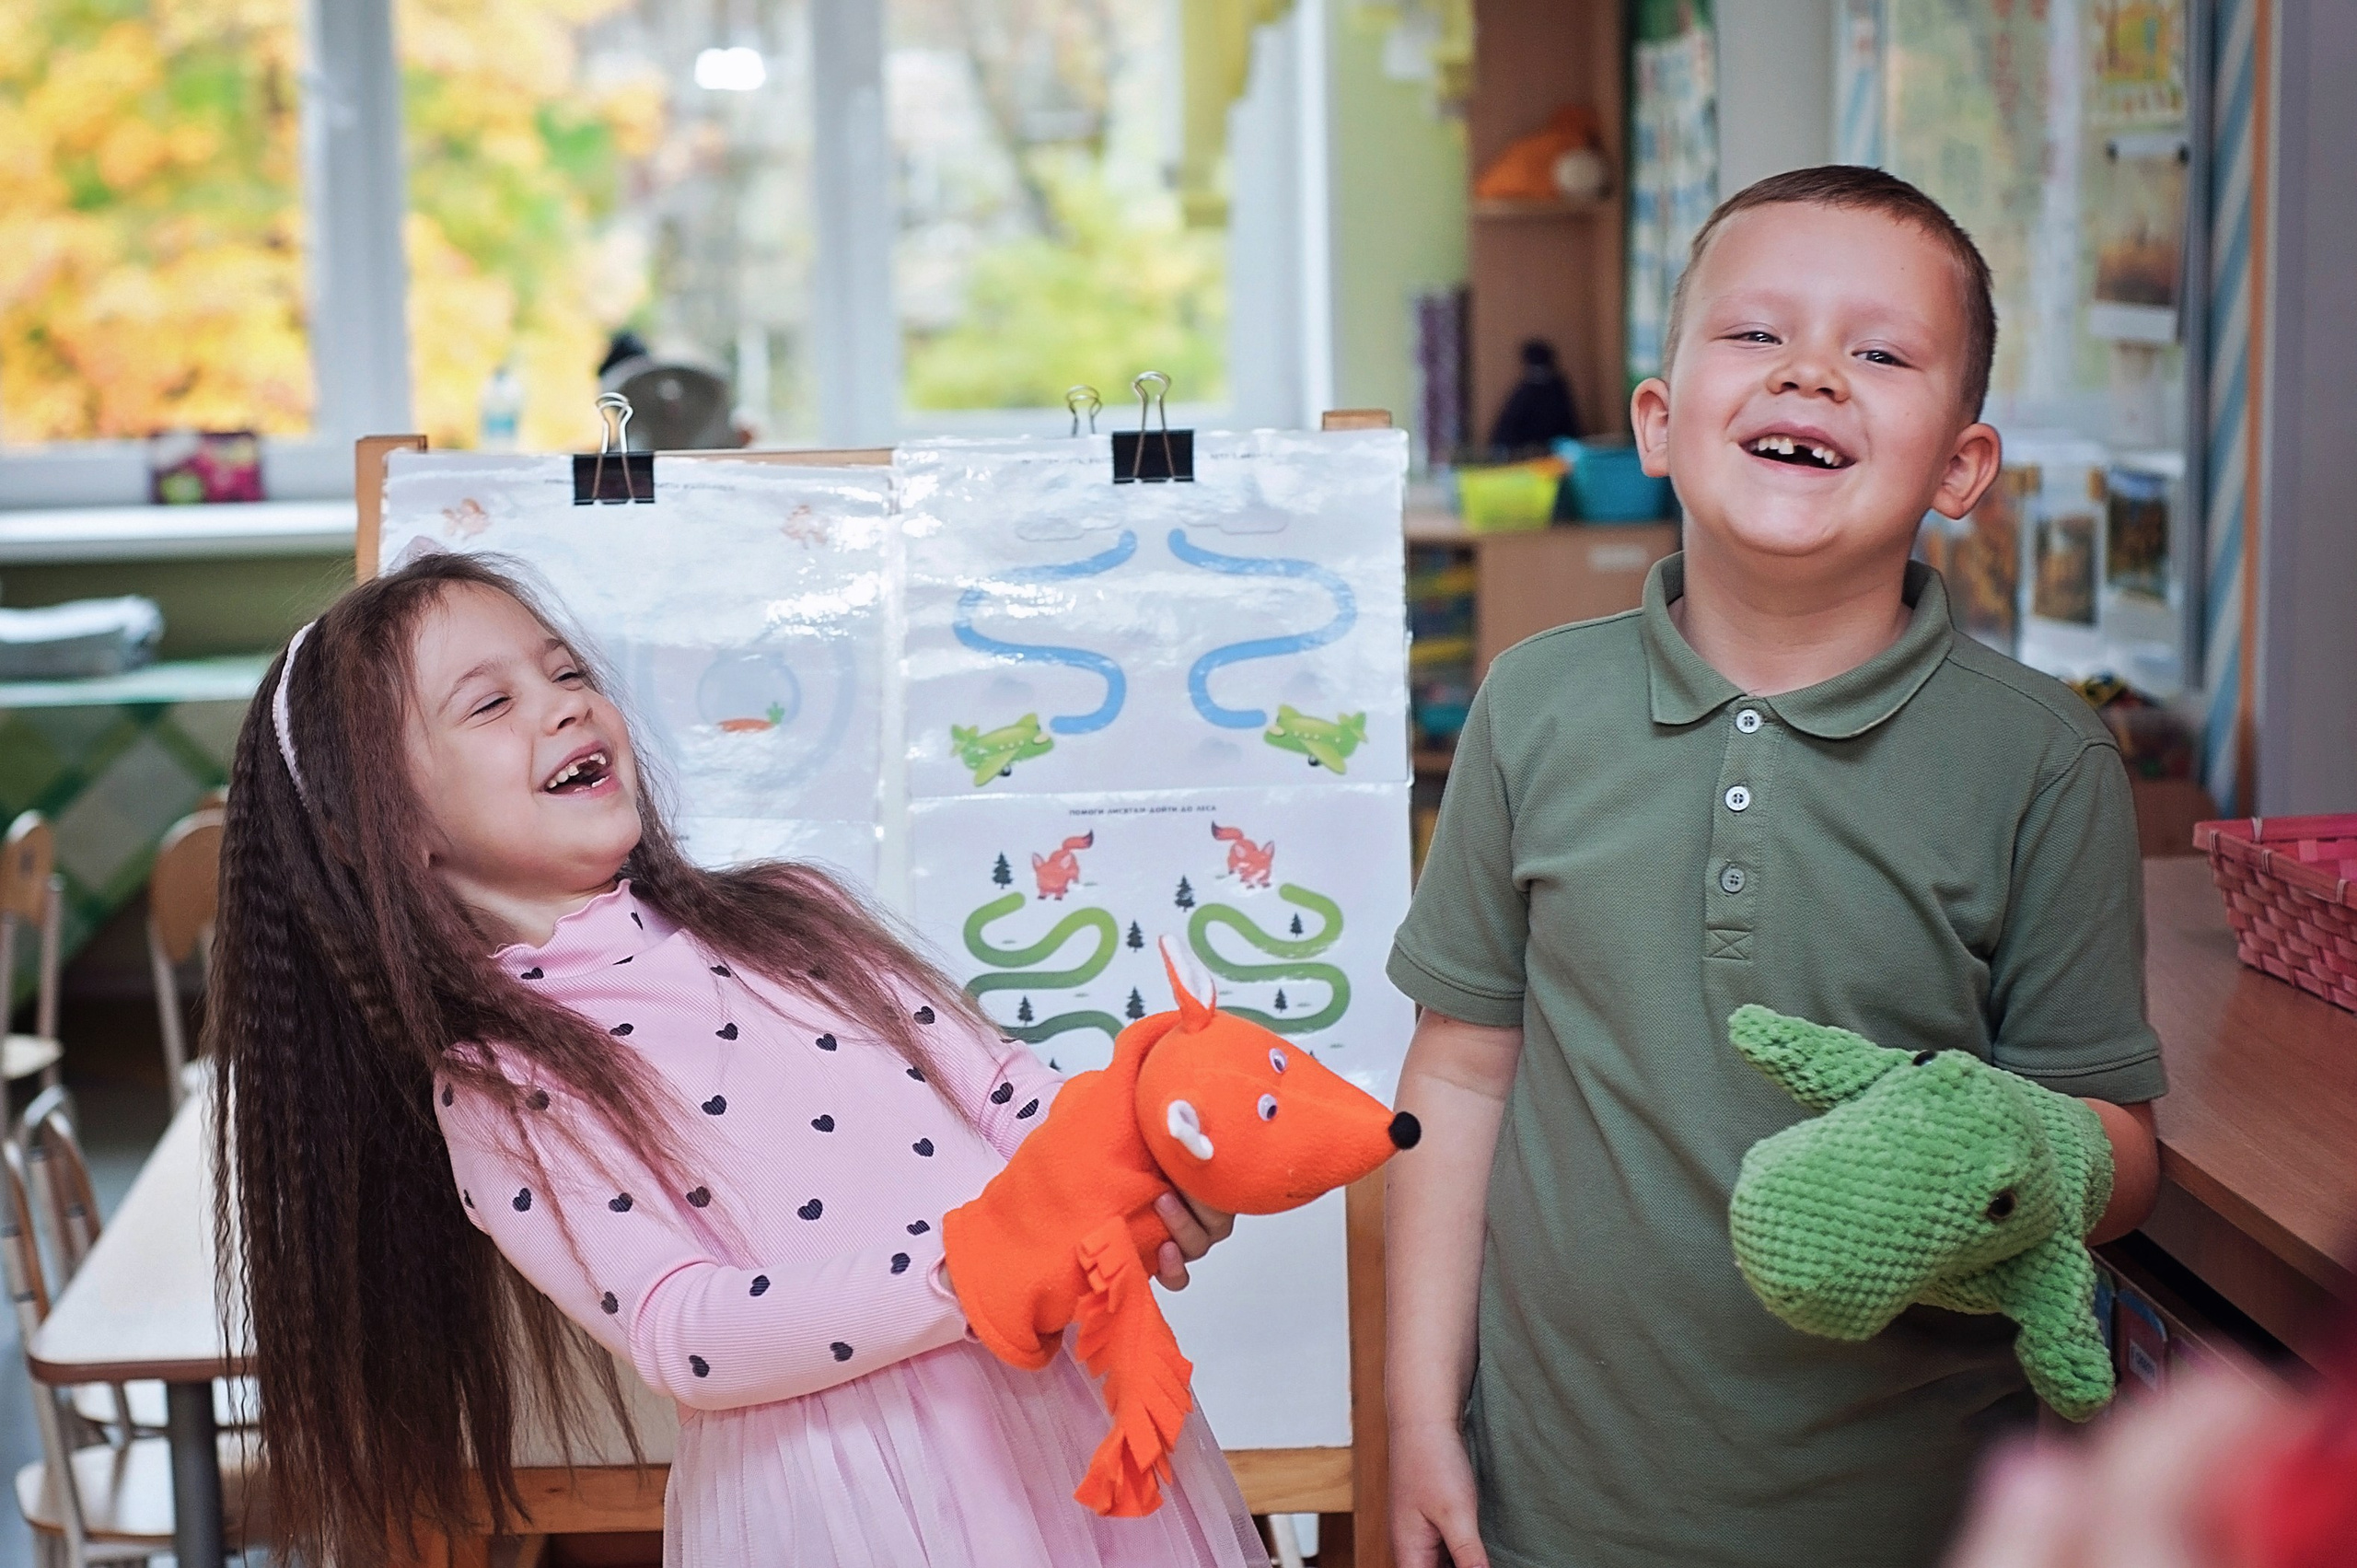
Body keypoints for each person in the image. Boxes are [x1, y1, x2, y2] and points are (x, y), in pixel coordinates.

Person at [1384, 165, 2167, 1568]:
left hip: (1916, 1512)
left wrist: (2012, 1138)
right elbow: (1456, 1073)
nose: (1811, 372)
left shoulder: (2044, 760)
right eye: (1756, 335)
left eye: (1878, 352)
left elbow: (2114, 1149)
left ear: (1961, 468)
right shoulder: (1531, 705)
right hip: (1556, 1501)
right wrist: (1416, 1409)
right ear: (1659, 421)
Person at [208, 552, 1268, 1568]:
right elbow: (683, 1328)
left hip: (1052, 1411)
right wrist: (976, 1266)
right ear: (382, 829)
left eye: (567, 670)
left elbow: (1004, 1093)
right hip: (841, 1497)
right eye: (490, 703)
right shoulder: (504, 1086)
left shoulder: (797, 913)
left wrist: (1139, 1165)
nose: (566, 703)